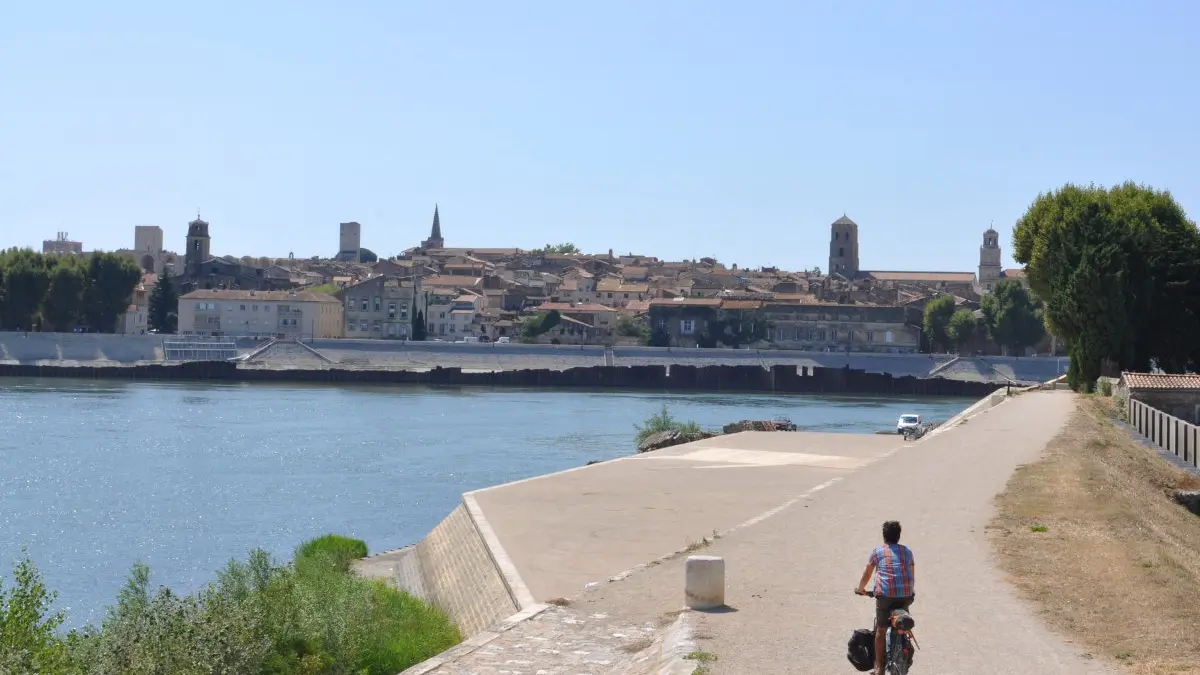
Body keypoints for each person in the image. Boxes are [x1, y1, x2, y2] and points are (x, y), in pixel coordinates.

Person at [855, 520, 915, 675]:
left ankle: (879, 668)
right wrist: (910, 589)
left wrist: (861, 589)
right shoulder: (907, 551)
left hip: (885, 596)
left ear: (884, 536)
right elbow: (912, 573)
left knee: (881, 630)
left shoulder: (877, 551)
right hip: (906, 595)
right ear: (899, 536)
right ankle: (905, 640)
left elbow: (868, 573)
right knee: (903, 617)